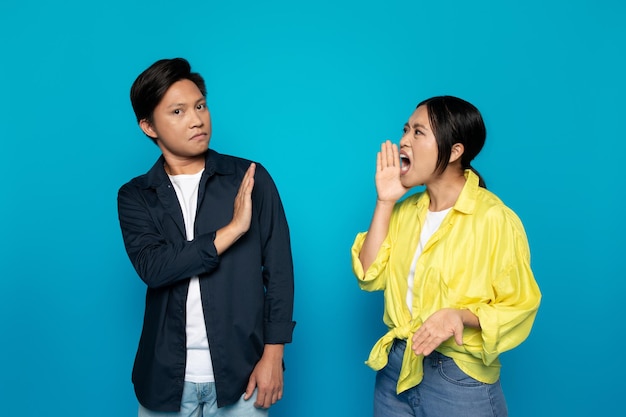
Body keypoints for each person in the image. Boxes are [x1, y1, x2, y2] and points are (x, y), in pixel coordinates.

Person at [117, 58, 295, 417]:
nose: (197, 119)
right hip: (164, 378)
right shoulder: (136, 195)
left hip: (242, 376)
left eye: (200, 106)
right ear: (149, 126)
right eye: (178, 111)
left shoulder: (249, 178)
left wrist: (274, 355)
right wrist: (231, 231)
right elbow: (155, 268)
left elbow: (279, 272)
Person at [351, 96, 541, 417]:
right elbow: (369, 275)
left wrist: (460, 316)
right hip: (396, 369)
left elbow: (519, 306)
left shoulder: (493, 218)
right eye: (406, 130)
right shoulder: (404, 212)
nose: (404, 141)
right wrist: (384, 202)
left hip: (457, 378)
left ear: (455, 151)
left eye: (418, 133)